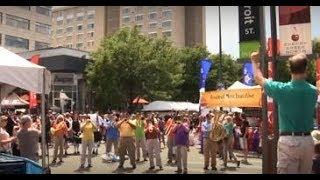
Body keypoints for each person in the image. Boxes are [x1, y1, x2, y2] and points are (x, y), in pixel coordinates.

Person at [251, 52, 318, 174]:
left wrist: (254, 62)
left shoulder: (282, 89)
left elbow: (258, 78)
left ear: (290, 70)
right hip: (308, 141)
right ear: (306, 69)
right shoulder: (313, 91)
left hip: (289, 141)